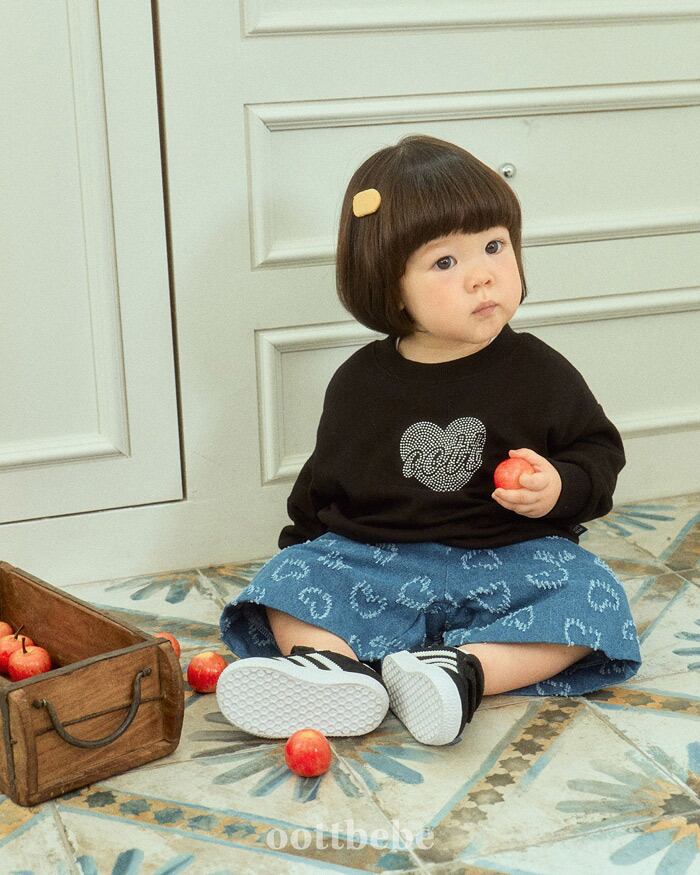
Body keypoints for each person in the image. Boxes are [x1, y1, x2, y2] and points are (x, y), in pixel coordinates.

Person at [216, 134, 641, 746]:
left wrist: (558, 487)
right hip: (382, 561)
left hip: (507, 558)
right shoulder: (360, 382)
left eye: (494, 246)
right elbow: (323, 483)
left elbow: (597, 451)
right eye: (445, 262)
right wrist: (305, 564)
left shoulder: (540, 371)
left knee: (591, 593)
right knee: (285, 582)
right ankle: (330, 669)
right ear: (390, 287)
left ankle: (462, 673)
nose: (483, 275)